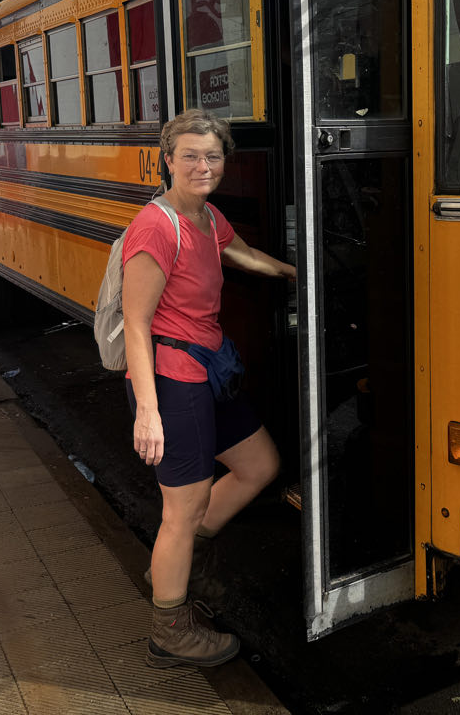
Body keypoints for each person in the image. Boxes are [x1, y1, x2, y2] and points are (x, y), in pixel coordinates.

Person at [122, 109, 295, 669]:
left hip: (209, 370)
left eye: (213, 156)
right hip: (172, 381)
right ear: (168, 160)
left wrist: (297, 273)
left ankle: (180, 565)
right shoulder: (156, 227)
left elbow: (242, 254)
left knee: (259, 465)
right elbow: (136, 324)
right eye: (190, 155)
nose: (203, 166)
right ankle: (168, 631)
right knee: (184, 509)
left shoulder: (207, 217)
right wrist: (148, 412)